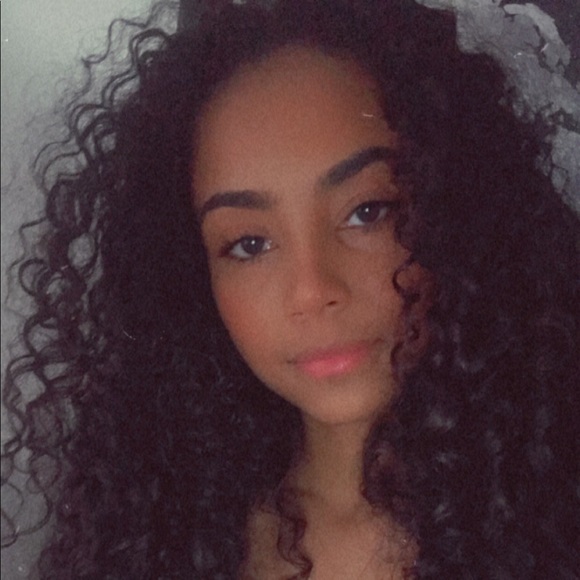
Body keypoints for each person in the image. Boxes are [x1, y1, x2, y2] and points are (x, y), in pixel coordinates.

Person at [2, 0, 579, 578]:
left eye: (368, 211)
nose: (311, 290)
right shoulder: (148, 543)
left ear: (462, 205)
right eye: (249, 244)